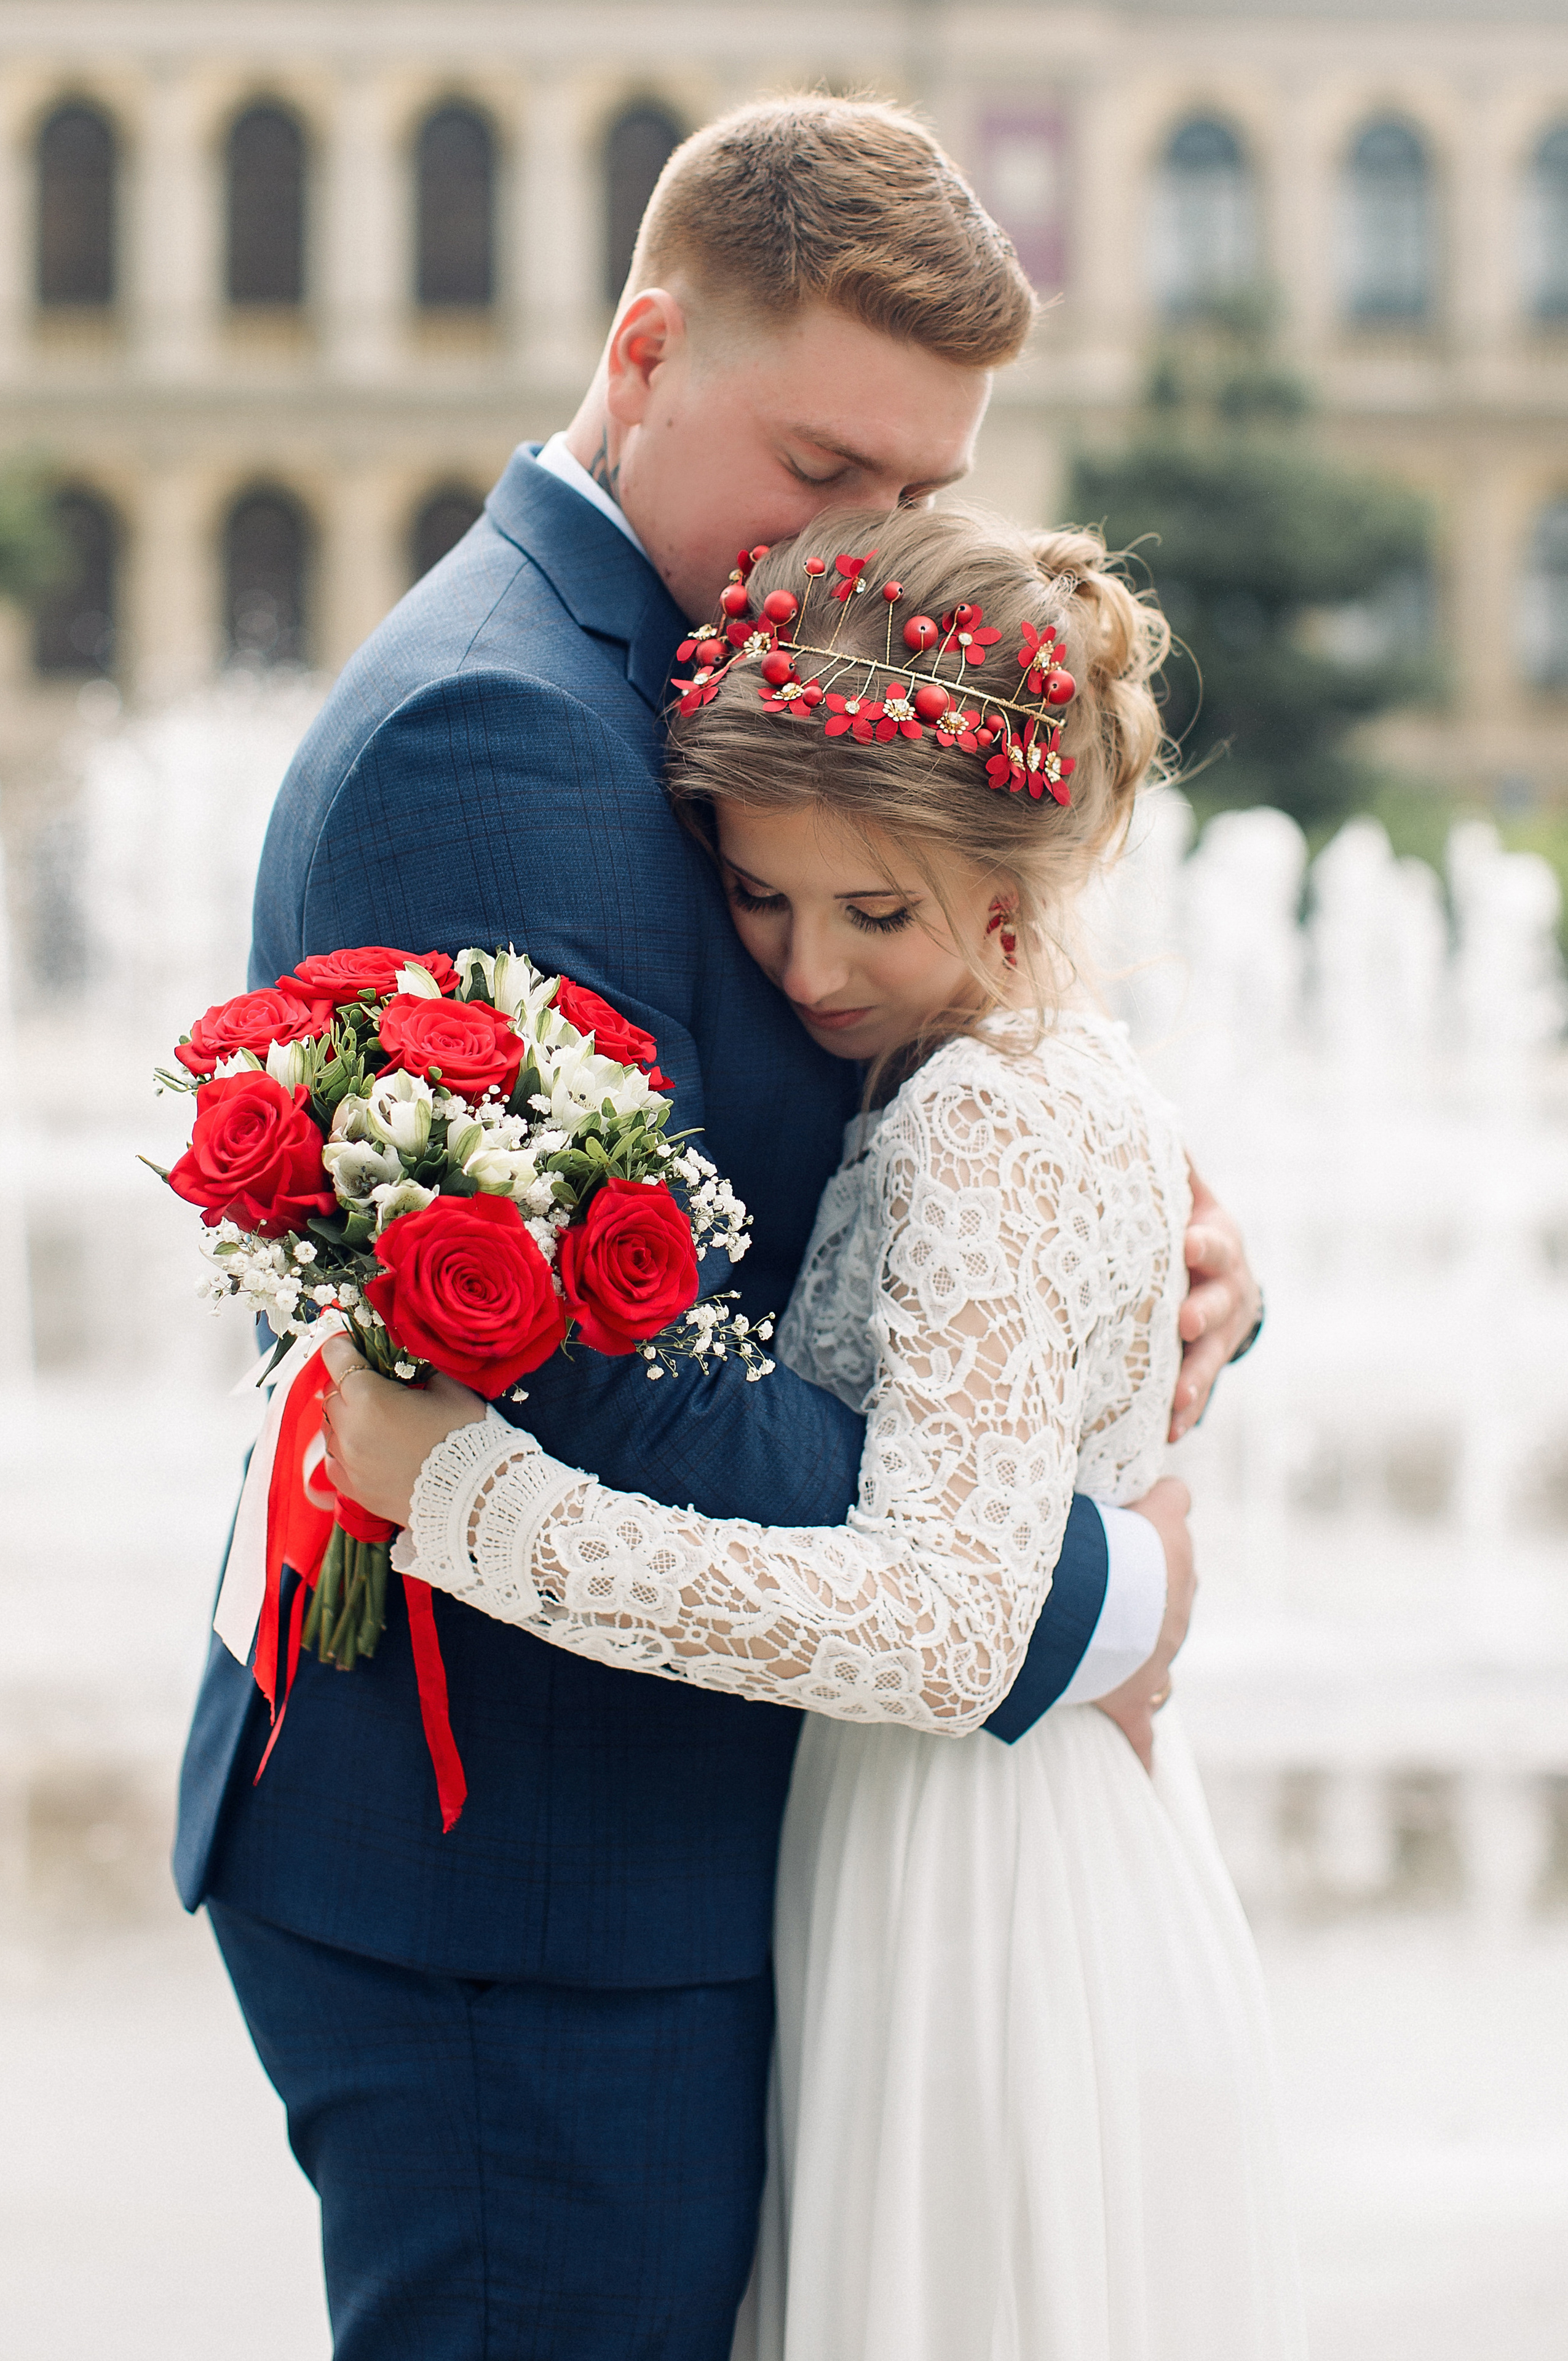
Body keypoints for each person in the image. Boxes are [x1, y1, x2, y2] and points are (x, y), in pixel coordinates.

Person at [175, 97, 1260, 2359]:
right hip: (534, 1882)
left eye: (920, 491)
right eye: (823, 469)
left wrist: (1159, 1294)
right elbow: (598, 1381)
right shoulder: (502, 730)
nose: (859, 542)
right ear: (648, 349)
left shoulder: (672, 667)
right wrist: (1095, 1584)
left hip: (665, 1844)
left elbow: (884, 1143)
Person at [320, 504, 1306, 2360]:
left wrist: (469, 1502)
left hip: (978, 1895)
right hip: (980, 1844)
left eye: (876, 915)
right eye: (761, 898)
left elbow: (939, 1628)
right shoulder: (1021, 1069)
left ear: (1017, 900)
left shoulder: (978, 1119)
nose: (806, 970)